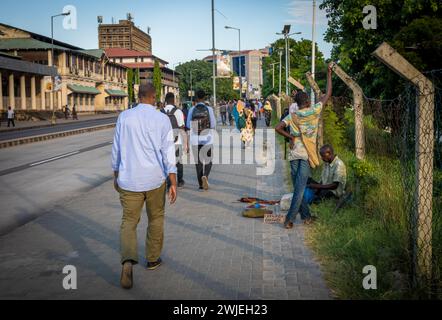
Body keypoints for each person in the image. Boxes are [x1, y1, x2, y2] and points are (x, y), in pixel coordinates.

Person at [112, 83, 178, 290]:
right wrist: (173, 181)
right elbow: (168, 151)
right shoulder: (162, 119)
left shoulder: (124, 117)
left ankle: (127, 262)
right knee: (156, 218)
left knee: (129, 221)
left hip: (129, 179)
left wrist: (116, 174)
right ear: (153, 97)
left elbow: (116, 149)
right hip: (154, 179)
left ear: (138, 96)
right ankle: (152, 259)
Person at [275, 63, 333, 228]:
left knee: (298, 187)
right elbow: (327, 93)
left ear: (296, 103)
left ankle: (306, 217)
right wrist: (329, 74)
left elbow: (278, 128)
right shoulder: (314, 112)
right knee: (299, 189)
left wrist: (290, 137)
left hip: (294, 154)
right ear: (307, 101)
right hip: (306, 155)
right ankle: (289, 219)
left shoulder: (292, 116)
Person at [186, 89, 216, 191]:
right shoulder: (209, 109)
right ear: (204, 98)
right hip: (207, 138)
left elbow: (187, 125)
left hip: (195, 139)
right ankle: (205, 176)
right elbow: (213, 125)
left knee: (198, 162)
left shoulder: (191, 109)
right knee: (208, 160)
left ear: (196, 98)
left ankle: (200, 184)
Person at [163, 92, 187, 188]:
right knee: (178, 162)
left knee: (167, 162)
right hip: (177, 141)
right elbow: (182, 128)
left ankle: (168, 182)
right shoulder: (178, 112)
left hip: (164, 143)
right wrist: (186, 143)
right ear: (174, 100)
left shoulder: (161, 111)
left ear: (165, 101)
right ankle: (180, 181)